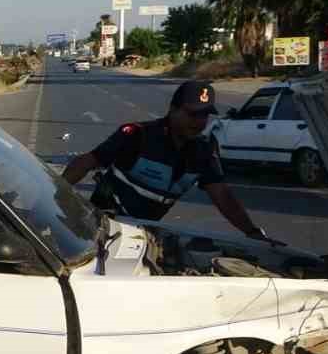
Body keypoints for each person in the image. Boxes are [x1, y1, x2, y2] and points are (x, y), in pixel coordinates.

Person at [61, 81, 276, 241]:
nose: (199, 122)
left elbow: (223, 197)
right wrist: (56, 198)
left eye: (205, 115)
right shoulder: (137, 136)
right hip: (101, 227)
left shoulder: (204, 152)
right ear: (173, 110)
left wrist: (252, 232)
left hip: (142, 234)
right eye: (192, 114)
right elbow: (87, 161)